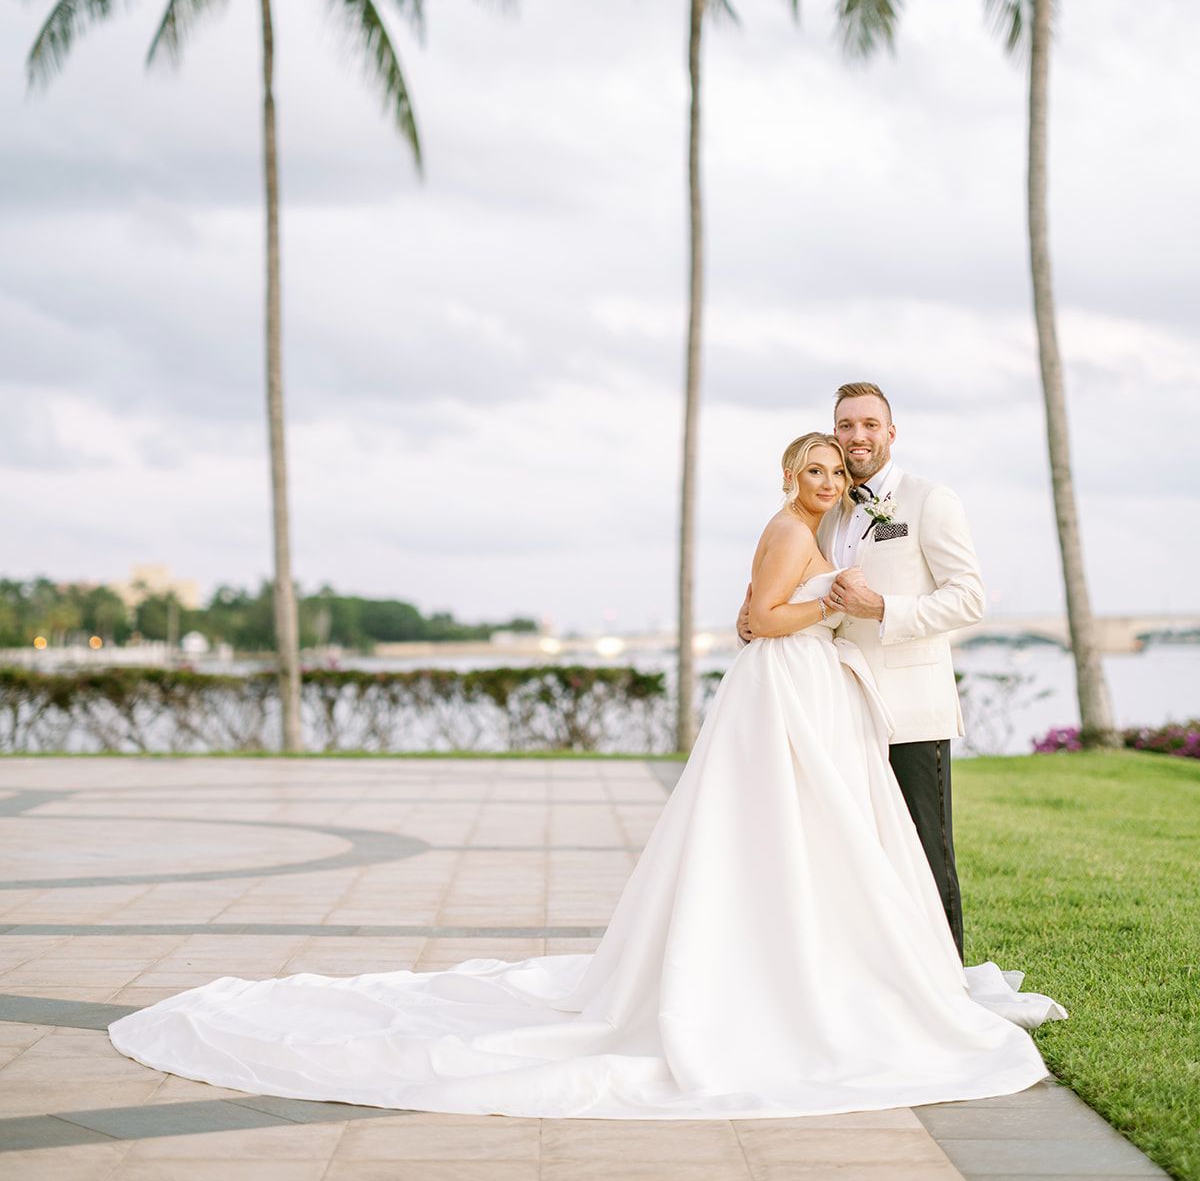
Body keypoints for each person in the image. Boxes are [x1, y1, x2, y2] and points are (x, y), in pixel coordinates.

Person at [108, 432, 1063, 1119]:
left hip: (827, 691)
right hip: (790, 679)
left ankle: (847, 958)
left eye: (835, 463)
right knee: (781, 821)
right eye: (812, 465)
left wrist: (846, 607)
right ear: (790, 475)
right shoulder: (788, 529)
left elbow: (876, 598)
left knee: (830, 832)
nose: (826, 475)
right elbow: (753, 618)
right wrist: (827, 611)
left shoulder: (864, 517)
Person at [738, 381, 979, 959]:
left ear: (890, 433)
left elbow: (968, 598)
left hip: (907, 706)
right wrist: (752, 618)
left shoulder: (927, 500)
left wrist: (884, 609)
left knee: (924, 847)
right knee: (857, 850)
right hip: (832, 707)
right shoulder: (823, 509)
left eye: (869, 425)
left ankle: (947, 978)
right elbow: (785, 590)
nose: (857, 437)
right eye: (846, 425)